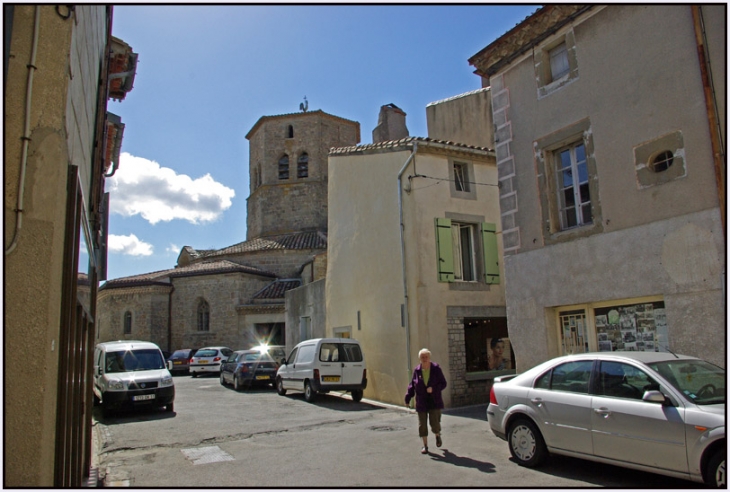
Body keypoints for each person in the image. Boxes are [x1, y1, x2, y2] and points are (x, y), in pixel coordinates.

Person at [404, 348, 447, 454]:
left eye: (426, 357)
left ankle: (437, 435)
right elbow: (412, 386)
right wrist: (408, 398)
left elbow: (443, 383)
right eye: (422, 357)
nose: (424, 359)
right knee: (422, 425)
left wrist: (434, 389)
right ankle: (425, 446)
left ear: (429, 357)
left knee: (435, 423)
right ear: (419, 359)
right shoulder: (417, 370)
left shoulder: (436, 368)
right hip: (421, 401)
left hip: (434, 400)